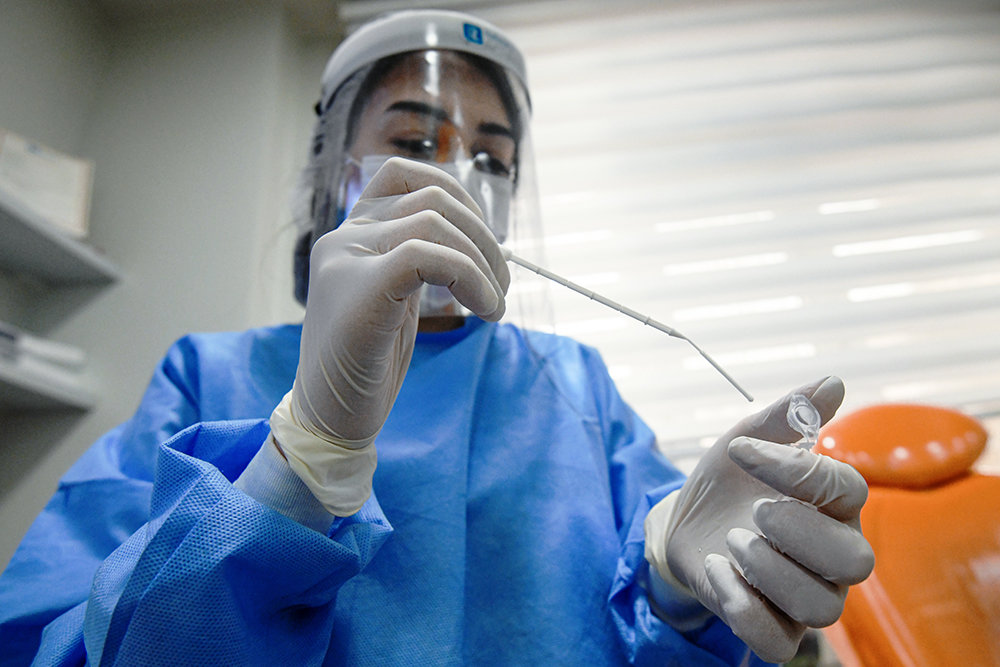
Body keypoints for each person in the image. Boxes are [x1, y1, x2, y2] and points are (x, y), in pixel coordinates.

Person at [0, 10, 873, 666]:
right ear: (334, 175)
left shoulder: (573, 383)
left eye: (494, 159)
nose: (460, 178)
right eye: (415, 139)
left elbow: (658, 616)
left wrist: (676, 588)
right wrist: (303, 452)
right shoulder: (209, 372)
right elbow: (60, 644)